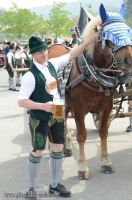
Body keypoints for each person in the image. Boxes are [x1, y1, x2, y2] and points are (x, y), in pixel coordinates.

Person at [18, 34, 94, 198]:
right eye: (40, 52)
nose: (44, 54)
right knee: (37, 150)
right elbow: (21, 102)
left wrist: (87, 41)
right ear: (32, 54)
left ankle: (54, 185)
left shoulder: (51, 64)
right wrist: (41, 106)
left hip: (58, 112)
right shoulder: (30, 76)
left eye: (45, 51)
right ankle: (31, 188)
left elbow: (72, 54)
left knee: (58, 148)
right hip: (40, 117)